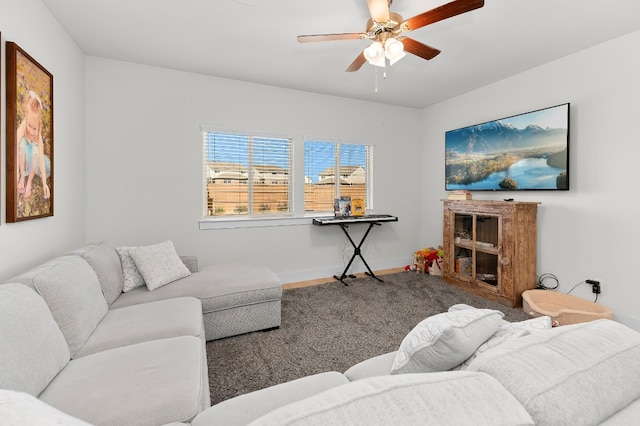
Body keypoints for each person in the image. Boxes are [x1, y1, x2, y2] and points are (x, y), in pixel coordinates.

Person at [16, 91, 51, 201]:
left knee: (37, 152)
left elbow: (40, 160)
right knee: (21, 145)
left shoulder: (39, 138)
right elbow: (13, 145)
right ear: (26, 119)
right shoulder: (24, 126)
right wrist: (16, 171)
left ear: (39, 124)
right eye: (29, 126)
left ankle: (29, 181)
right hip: (25, 154)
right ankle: (22, 176)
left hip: (34, 158)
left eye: (34, 128)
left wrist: (45, 184)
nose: (31, 131)